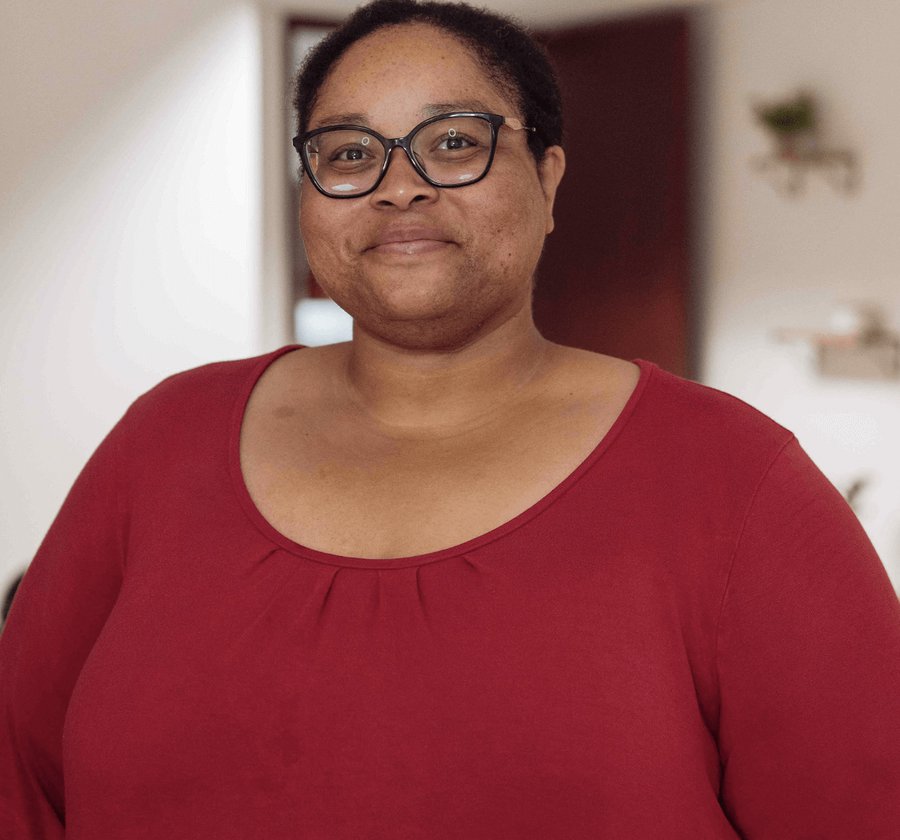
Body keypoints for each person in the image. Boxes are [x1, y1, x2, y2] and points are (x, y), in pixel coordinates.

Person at [1, 0, 898, 836]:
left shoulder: (734, 482)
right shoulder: (164, 441)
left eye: (455, 141)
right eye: (349, 153)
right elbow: (19, 778)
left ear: (547, 178)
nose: (400, 187)